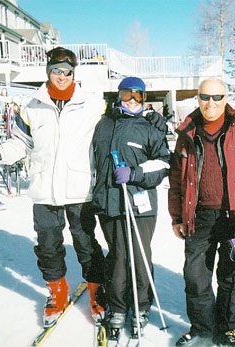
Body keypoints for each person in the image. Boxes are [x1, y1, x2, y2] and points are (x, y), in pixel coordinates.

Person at [0, 47, 108, 328]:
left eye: (67, 71)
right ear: (48, 71)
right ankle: (57, 293)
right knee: (47, 246)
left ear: (74, 73)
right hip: (44, 188)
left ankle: (97, 290)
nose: (62, 76)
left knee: (85, 244)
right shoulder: (31, 105)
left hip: (80, 188)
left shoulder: (92, 104)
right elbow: (21, 143)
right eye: (56, 70)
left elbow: (112, 132)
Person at [168, 78, 235, 346]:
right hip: (198, 215)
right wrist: (177, 217)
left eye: (217, 97)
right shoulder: (187, 132)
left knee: (231, 276)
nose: (211, 103)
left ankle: (227, 327)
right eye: (205, 97)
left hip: (234, 216)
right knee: (195, 275)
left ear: (226, 98)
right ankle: (202, 328)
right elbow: (177, 179)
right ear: (198, 99)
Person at [91, 76, 170, 340]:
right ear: (118, 95)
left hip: (140, 204)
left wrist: (135, 173)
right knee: (117, 259)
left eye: (138, 95)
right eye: (127, 95)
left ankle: (141, 306)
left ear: (145, 99)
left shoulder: (150, 127)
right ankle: (118, 307)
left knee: (138, 257)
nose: (133, 101)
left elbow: (163, 164)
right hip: (110, 203)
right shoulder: (103, 124)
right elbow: (91, 159)